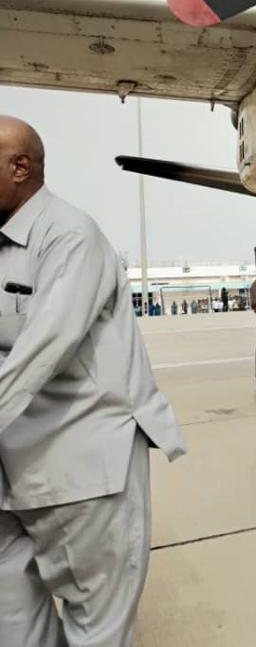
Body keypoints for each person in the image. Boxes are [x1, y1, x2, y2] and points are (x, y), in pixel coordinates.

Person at [0, 115, 187, 647]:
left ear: (20, 167)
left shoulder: (70, 235)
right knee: (14, 621)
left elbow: (44, 349)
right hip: (13, 466)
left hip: (82, 469)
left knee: (96, 628)